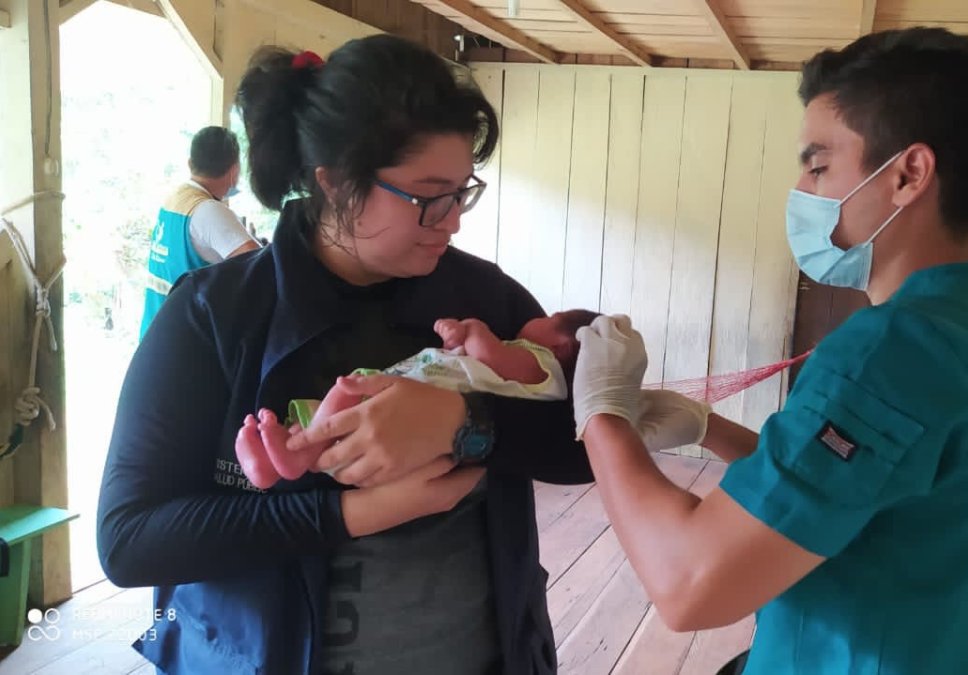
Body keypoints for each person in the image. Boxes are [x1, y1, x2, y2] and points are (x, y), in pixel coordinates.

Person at [568, 28, 968, 674]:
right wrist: (712, 429)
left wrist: (601, 414)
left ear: (908, 174)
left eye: (819, 165)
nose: (802, 189)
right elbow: (877, 483)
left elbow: (689, 582)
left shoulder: (894, 349)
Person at [98, 38, 591, 675]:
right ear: (334, 183)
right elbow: (130, 540)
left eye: (462, 192)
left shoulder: (483, 297)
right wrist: (351, 512)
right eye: (427, 196)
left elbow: (587, 448)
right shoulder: (215, 315)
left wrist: (466, 425)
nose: (453, 221)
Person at [237, 309, 599, 489]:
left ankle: (296, 452)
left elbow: (489, 356)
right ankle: (282, 455)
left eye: (552, 317)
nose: (539, 316)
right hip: (415, 449)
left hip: (403, 408)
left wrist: (472, 328)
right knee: (339, 417)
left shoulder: (542, 364)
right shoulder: (539, 380)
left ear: (561, 345)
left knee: (352, 388)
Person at [139, 126, 260, 338]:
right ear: (234, 172)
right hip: (182, 343)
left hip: (155, 335)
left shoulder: (175, 199)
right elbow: (260, 267)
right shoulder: (209, 211)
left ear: (190, 163)